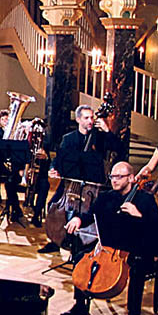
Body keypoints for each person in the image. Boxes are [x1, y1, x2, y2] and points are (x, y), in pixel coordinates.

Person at [60, 161, 158, 315]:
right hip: (108, 247)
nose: (114, 180)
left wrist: (137, 215)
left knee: (137, 268)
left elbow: (156, 228)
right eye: (112, 177)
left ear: (131, 178)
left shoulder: (145, 199)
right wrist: (78, 219)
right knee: (80, 257)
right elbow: (91, 214)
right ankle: (80, 307)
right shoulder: (106, 197)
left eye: (119, 177)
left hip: (137, 249)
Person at [39, 105, 111, 255]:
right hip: (70, 184)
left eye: (92, 117)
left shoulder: (100, 138)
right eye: (86, 118)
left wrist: (107, 131)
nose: (90, 121)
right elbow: (59, 159)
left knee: (91, 211)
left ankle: (83, 243)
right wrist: (53, 168)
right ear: (78, 119)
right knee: (53, 204)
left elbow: (118, 148)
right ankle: (56, 240)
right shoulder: (69, 139)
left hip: (90, 187)